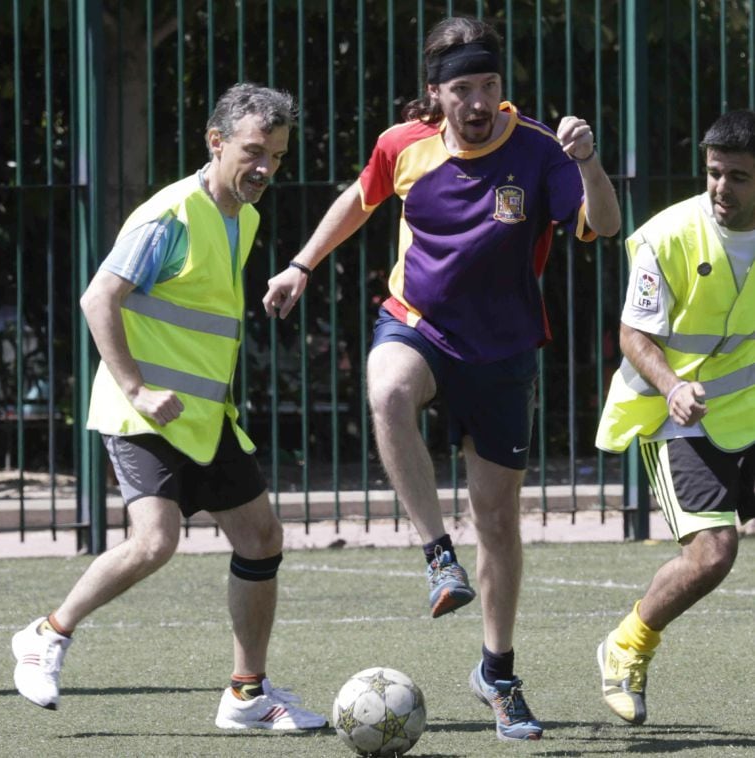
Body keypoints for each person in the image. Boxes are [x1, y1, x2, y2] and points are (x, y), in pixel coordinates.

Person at [263, 16, 620, 742]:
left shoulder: (542, 148)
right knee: (387, 387)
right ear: (437, 94)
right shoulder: (405, 145)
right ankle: (435, 556)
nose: (480, 100)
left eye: (490, 85)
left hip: (504, 349)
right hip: (419, 321)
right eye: (464, 88)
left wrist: (589, 164)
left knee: (497, 521)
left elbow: (603, 226)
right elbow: (359, 201)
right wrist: (301, 264)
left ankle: (498, 672)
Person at [11, 83, 327, 732]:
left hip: (205, 417)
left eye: (277, 155)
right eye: (253, 151)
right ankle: (46, 633)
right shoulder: (169, 216)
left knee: (262, 537)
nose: (266, 167)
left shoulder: (245, 216)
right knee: (156, 541)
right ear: (216, 143)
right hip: (143, 412)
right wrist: (136, 388)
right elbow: (98, 299)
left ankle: (246, 696)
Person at [595, 109, 755, 725]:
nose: (722, 188)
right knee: (714, 553)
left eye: (739, 177)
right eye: (715, 173)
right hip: (676, 413)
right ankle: (626, 647)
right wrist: (672, 386)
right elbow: (633, 333)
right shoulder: (666, 236)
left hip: (745, 407)